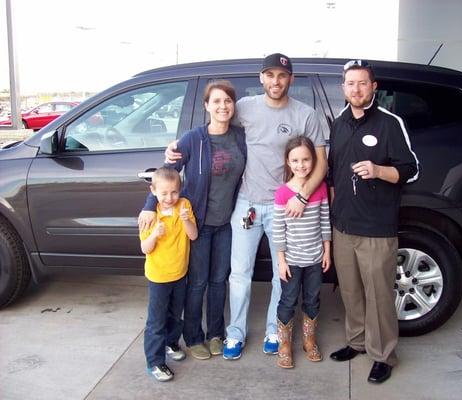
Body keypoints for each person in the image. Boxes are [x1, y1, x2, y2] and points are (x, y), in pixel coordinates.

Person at [164, 53, 327, 360]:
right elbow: (215, 123)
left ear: (291, 79)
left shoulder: (306, 114)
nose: (275, 81)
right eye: (270, 75)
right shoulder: (244, 108)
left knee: (284, 273)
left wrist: (302, 194)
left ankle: (273, 330)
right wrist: (177, 145)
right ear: (261, 78)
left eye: (282, 75)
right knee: (239, 273)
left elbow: (321, 161)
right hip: (247, 203)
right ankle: (235, 333)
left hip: (285, 207)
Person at [139, 81, 247, 360]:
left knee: (219, 281)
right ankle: (193, 336)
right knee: (197, 282)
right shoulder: (192, 139)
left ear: (233, 106)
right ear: (206, 106)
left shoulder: (240, 137)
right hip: (197, 224)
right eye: (217, 101)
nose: (223, 106)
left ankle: (215, 334)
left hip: (227, 224)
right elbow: (166, 174)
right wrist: (151, 205)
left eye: (228, 101)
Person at [328, 60, 419, 384]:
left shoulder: (389, 124)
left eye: (362, 83)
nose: (356, 89)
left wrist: (379, 170)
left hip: (377, 229)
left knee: (379, 295)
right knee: (350, 292)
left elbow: (411, 169)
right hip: (344, 227)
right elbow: (333, 173)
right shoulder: (338, 124)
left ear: (373, 87)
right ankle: (356, 342)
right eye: (350, 83)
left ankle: (382, 355)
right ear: (343, 88)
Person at [272, 136, 331, 369]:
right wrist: (281, 260)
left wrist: (327, 251)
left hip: (315, 257)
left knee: (312, 299)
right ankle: (284, 345)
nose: (301, 165)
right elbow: (278, 229)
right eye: (295, 160)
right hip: (292, 260)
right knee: (288, 300)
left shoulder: (320, 189)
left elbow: (325, 220)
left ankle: (309, 340)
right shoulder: (282, 193)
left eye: (306, 159)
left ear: (314, 160)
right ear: (287, 162)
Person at [139, 167, 198, 382]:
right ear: (153, 191)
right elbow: (145, 248)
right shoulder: (149, 215)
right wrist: (154, 234)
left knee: (175, 314)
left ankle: (171, 342)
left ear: (179, 190)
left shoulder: (184, 205)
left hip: (180, 273)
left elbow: (193, 235)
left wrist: (186, 220)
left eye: (174, 192)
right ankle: (154, 361)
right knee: (156, 321)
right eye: (164, 193)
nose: (169, 197)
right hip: (158, 277)